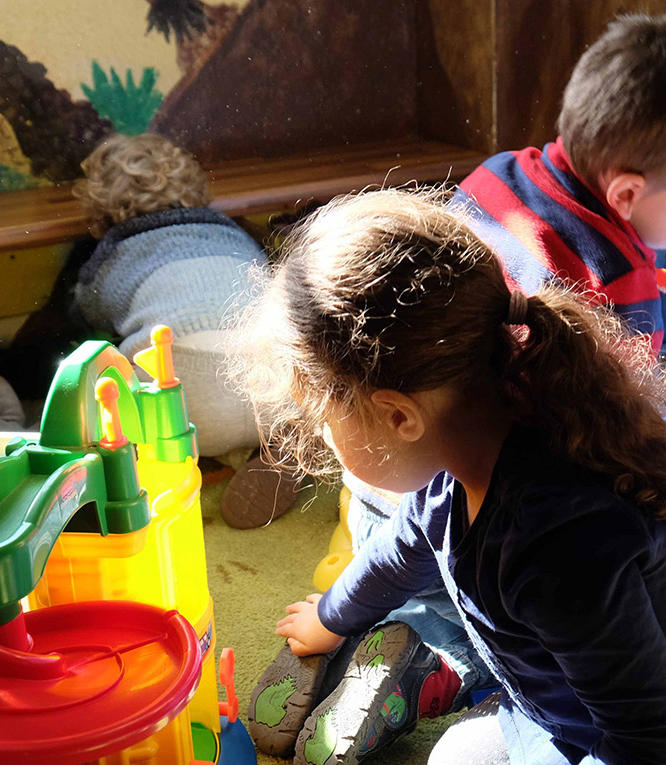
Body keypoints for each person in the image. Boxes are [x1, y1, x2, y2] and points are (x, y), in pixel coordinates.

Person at [228, 187, 666, 764]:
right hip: (553, 708)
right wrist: (331, 618)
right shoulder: (459, 466)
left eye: (322, 418)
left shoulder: (557, 547)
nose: (322, 439)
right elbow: (399, 553)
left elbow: (644, 737)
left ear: (399, 416)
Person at [333, 9, 666, 725]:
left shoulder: (498, 172)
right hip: (505, 517)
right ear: (628, 195)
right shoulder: (617, 282)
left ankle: (431, 650)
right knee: (542, 613)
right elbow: (635, 416)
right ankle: (459, 671)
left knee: (409, 538)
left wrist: (334, 612)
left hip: (403, 479)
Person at [72, 132, 303, 526]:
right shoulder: (235, 234)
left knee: (104, 365)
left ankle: (162, 462)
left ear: (102, 209)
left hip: (181, 406)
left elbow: (86, 312)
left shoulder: (115, 257)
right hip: (275, 392)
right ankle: (284, 445)